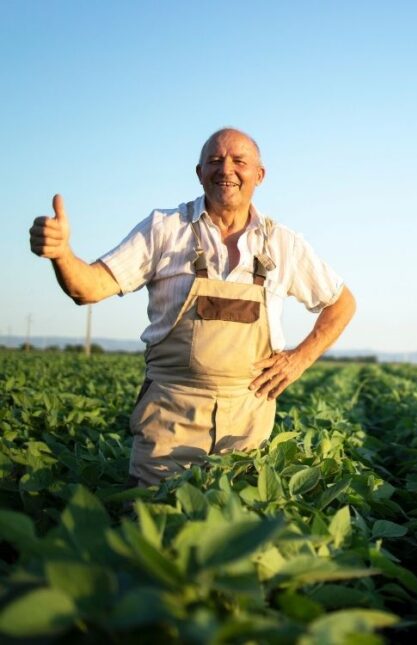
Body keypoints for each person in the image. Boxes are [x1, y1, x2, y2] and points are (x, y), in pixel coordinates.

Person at [29, 128, 356, 486]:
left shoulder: (282, 243)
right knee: (154, 516)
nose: (226, 169)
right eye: (214, 161)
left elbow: (341, 303)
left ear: (259, 175)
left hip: (247, 428)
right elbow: (87, 288)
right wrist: (61, 254)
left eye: (239, 161)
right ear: (200, 173)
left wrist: (300, 359)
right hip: (169, 423)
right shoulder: (164, 229)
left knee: (238, 518)